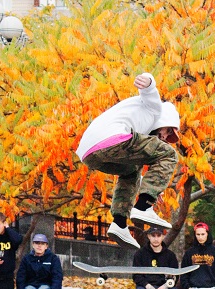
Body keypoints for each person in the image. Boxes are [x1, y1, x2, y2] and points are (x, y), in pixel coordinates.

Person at [76, 72, 181, 249]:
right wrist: (148, 81)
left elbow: (140, 165)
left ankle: (119, 224)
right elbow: (149, 92)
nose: (165, 137)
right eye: (168, 131)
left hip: (90, 154)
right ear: (165, 121)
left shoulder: (136, 120)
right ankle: (143, 206)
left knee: (132, 170)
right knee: (170, 154)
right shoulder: (154, 110)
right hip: (114, 139)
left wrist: (154, 186)